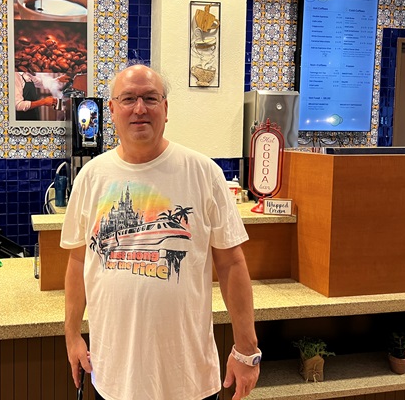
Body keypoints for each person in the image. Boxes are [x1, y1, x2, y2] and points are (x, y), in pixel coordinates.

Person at [61, 64, 260, 400]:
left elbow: (231, 264)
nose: (140, 108)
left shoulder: (203, 172)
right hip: (113, 378)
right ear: (112, 110)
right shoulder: (91, 178)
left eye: (150, 98)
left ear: (165, 109)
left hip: (189, 380)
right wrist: (72, 336)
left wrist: (247, 349)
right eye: (128, 99)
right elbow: (78, 262)